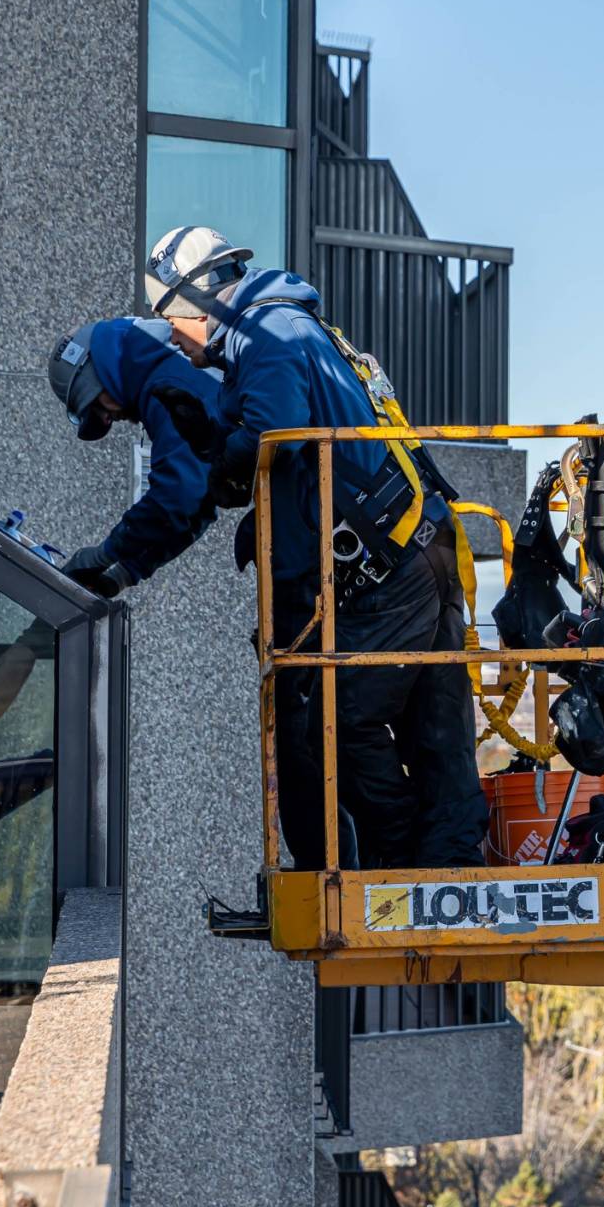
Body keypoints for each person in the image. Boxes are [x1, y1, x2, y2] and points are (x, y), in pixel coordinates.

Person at [140, 224, 484, 871]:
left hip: (387, 561)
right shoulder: (299, 328)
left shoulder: (266, 334)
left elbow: (276, 436)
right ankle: (448, 870)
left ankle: (397, 866)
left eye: (170, 323)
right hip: (418, 539)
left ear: (195, 301)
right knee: (436, 731)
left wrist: (212, 467)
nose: (176, 345)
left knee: (340, 723)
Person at [45, 317, 225, 597]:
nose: (108, 418)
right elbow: (198, 507)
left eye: (96, 406)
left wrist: (102, 556)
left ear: (102, 375)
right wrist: (123, 574)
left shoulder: (167, 385)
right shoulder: (159, 367)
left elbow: (178, 496)